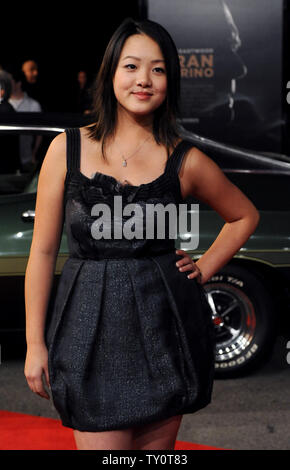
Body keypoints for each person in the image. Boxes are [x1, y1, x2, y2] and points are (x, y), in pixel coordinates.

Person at [24, 18, 260, 450]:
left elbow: (244, 215)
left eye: (158, 69)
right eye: (131, 66)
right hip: (88, 332)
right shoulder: (66, 149)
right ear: (110, 72)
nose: (144, 80)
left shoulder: (183, 158)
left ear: (170, 79)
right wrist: (34, 343)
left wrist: (205, 266)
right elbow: (41, 253)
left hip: (165, 328)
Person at [7, 66, 42, 171]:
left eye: (9, 81)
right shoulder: (3, 104)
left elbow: (40, 133)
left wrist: (34, 154)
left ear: (18, 83)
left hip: (26, 160)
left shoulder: (33, 105)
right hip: (6, 161)